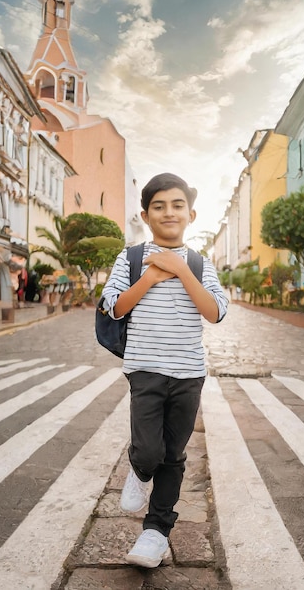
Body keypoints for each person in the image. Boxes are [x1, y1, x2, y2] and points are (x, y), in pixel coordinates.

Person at [101, 172, 228, 568]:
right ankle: (139, 470)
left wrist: (182, 270)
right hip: (146, 369)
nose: (168, 212)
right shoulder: (132, 258)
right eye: (159, 206)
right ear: (145, 215)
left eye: (176, 205)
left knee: (174, 455)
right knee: (150, 449)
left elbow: (215, 312)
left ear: (190, 214)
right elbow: (115, 306)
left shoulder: (200, 263)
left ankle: (155, 534)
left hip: (189, 373)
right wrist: (154, 275)